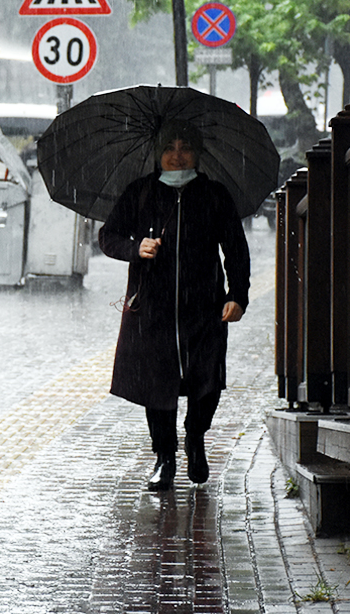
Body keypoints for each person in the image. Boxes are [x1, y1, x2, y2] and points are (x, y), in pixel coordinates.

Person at [98, 120, 251, 492]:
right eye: (169, 147)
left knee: (207, 380)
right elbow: (108, 237)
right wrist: (137, 248)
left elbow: (235, 249)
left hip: (205, 305)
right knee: (159, 383)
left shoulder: (214, 195)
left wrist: (238, 295)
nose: (176, 154)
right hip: (153, 306)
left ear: (196, 153)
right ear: (158, 154)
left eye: (184, 146)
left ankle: (195, 437)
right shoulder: (141, 193)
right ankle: (164, 457)